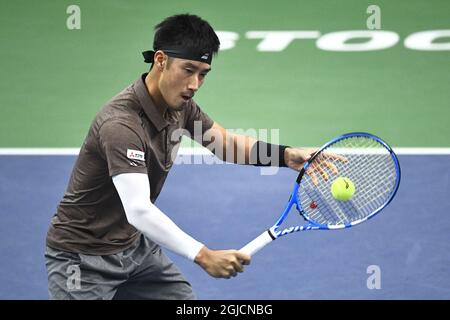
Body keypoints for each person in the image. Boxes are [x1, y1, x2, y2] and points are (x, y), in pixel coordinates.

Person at [45, 13, 317, 300]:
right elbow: (138, 209)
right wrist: (202, 255)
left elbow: (223, 143)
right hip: (82, 259)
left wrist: (285, 155)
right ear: (160, 60)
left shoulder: (180, 106)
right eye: (188, 70)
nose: (195, 84)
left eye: (203, 73)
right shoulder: (121, 125)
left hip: (133, 249)